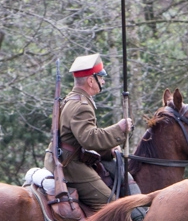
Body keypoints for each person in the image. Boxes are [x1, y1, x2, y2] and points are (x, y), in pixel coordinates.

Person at [47, 53, 131, 210]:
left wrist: (108, 150)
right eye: (101, 77)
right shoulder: (82, 106)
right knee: (113, 207)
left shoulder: (71, 99)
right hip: (70, 164)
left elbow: (80, 138)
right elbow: (89, 139)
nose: (104, 81)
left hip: (64, 157)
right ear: (91, 80)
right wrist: (120, 129)